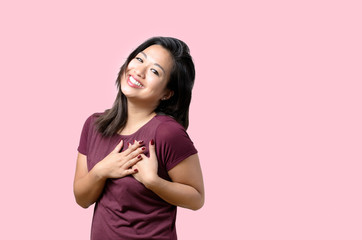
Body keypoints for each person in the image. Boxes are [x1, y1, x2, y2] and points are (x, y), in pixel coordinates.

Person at [73, 36, 204, 240]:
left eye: (154, 71)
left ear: (167, 93)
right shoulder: (94, 125)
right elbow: (82, 199)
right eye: (140, 59)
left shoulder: (167, 133)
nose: (139, 71)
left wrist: (153, 182)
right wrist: (101, 170)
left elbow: (196, 199)